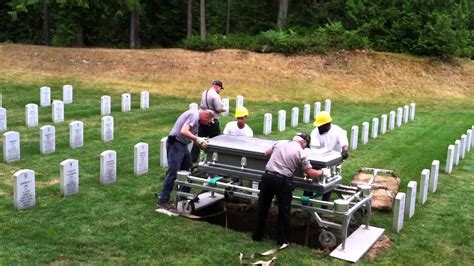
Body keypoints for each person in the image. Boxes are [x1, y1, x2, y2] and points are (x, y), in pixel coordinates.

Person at [252, 133, 329, 246]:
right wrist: (322, 172)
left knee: (262, 207)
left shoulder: (279, 142)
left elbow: (266, 153)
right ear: (304, 143)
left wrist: (276, 159)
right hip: (282, 181)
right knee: (284, 211)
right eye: (305, 146)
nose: (304, 148)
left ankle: (256, 236)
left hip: (267, 177)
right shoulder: (300, 152)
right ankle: (282, 240)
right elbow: (310, 173)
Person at [157, 109, 214, 210]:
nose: (208, 124)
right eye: (208, 121)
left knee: (188, 170)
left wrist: (199, 142)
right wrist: (197, 139)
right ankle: (163, 200)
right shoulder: (194, 116)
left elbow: (192, 134)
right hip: (176, 144)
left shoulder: (197, 120)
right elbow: (183, 131)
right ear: (205, 116)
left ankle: (183, 196)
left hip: (182, 145)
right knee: (173, 172)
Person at [191, 80, 227, 162]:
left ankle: (192, 158)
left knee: (198, 141)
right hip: (212, 121)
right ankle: (214, 159)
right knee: (215, 141)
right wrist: (225, 109)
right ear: (217, 87)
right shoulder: (215, 96)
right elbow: (218, 108)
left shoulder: (204, 93)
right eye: (220, 89)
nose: (220, 91)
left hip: (203, 119)